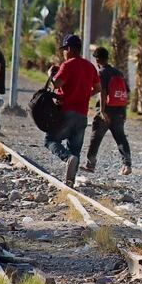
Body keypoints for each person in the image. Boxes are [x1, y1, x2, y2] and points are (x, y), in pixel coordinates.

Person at [46, 34, 99, 187]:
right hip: (82, 115)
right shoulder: (90, 66)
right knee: (75, 149)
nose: (64, 52)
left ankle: (67, 158)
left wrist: (50, 74)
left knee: (50, 140)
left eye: (64, 49)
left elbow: (56, 84)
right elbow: (98, 88)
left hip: (66, 112)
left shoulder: (68, 65)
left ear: (69, 49)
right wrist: (84, 95)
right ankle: (70, 182)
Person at [81, 46, 132, 176]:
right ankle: (127, 165)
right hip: (119, 111)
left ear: (97, 59)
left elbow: (102, 92)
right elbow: (125, 92)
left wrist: (102, 111)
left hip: (105, 112)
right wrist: (124, 112)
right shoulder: (118, 73)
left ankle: (90, 165)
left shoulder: (101, 73)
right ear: (107, 58)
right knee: (120, 138)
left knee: (95, 138)